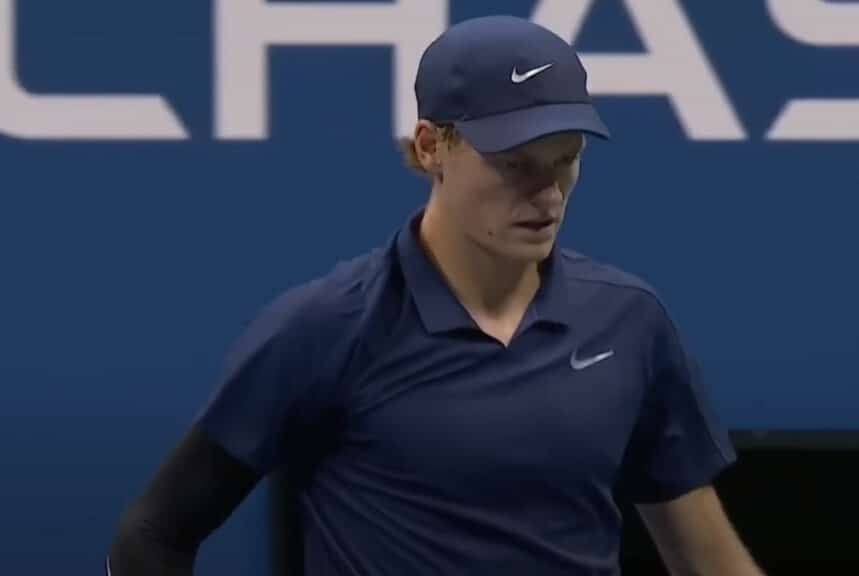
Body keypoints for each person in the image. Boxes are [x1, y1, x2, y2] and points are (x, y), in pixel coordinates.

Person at [108, 15, 763, 576]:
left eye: (565, 158)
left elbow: (708, 562)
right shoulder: (325, 327)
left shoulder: (629, 321)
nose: (547, 192)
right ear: (431, 147)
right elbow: (153, 534)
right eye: (514, 163)